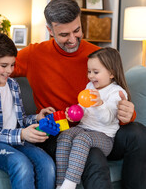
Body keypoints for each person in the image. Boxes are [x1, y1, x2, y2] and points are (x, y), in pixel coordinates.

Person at [0, 0, 146, 188]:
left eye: (77, 30)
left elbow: (116, 97)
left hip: (99, 127)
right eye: (64, 34)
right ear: (50, 30)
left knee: (141, 134)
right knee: (90, 152)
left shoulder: (97, 57)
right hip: (60, 130)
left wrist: (128, 114)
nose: (73, 39)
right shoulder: (34, 55)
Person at [0, 32, 56, 189]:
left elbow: (19, 119)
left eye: (12, 65)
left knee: (47, 164)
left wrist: (36, 118)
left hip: (15, 139)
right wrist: (22, 134)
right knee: (21, 164)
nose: (9, 70)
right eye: (3, 66)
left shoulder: (13, 85)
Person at [56, 47, 131, 189]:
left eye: (96, 72)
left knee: (81, 140)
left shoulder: (117, 92)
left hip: (104, 136)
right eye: (89, 71)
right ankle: (60, 183)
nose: (91, 76)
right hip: (83, 128)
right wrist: (73, 113)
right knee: (65, 136)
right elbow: (83, 108)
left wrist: (100, 104)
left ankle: (70, 185)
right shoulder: (90, 86)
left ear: (111, 73)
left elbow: (107, 119)